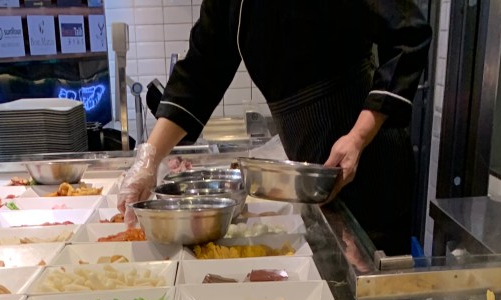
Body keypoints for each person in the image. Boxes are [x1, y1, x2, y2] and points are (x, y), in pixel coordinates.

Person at [118, 0, 432, 256]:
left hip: (370, 160)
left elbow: (409, 34)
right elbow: (200, 72)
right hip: (311, 170)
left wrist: (358, 136)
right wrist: (149, 159)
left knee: (367, 287)